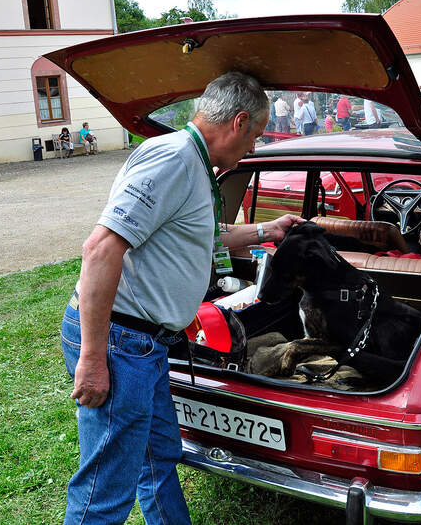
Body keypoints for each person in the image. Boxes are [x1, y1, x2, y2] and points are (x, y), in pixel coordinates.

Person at [60, 71, 303, 525]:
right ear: (238, 122)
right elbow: (100, 249)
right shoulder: (173, 159)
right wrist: (93, 358)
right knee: (105, 490)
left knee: (158, 461)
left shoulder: (193, 164)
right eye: (254, 137)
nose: (252, 149)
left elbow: (204, 236)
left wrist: (269, 230)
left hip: (144, 344)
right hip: (119, 341)